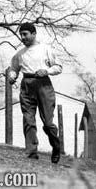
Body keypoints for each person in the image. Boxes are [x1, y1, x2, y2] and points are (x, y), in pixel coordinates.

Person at [8, 22, 62, 163]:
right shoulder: (19, 54)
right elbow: (13, 68)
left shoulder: (45, 49)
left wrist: (47, 71)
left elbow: (58, 67)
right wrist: (12, 76)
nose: (23, 37)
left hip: (43, 84)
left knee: (48, 123)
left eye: (25, 34)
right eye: (21, 35)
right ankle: (31, 152)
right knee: (28, 119)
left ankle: (56, 145)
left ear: (33, 34)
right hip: (26, 85)